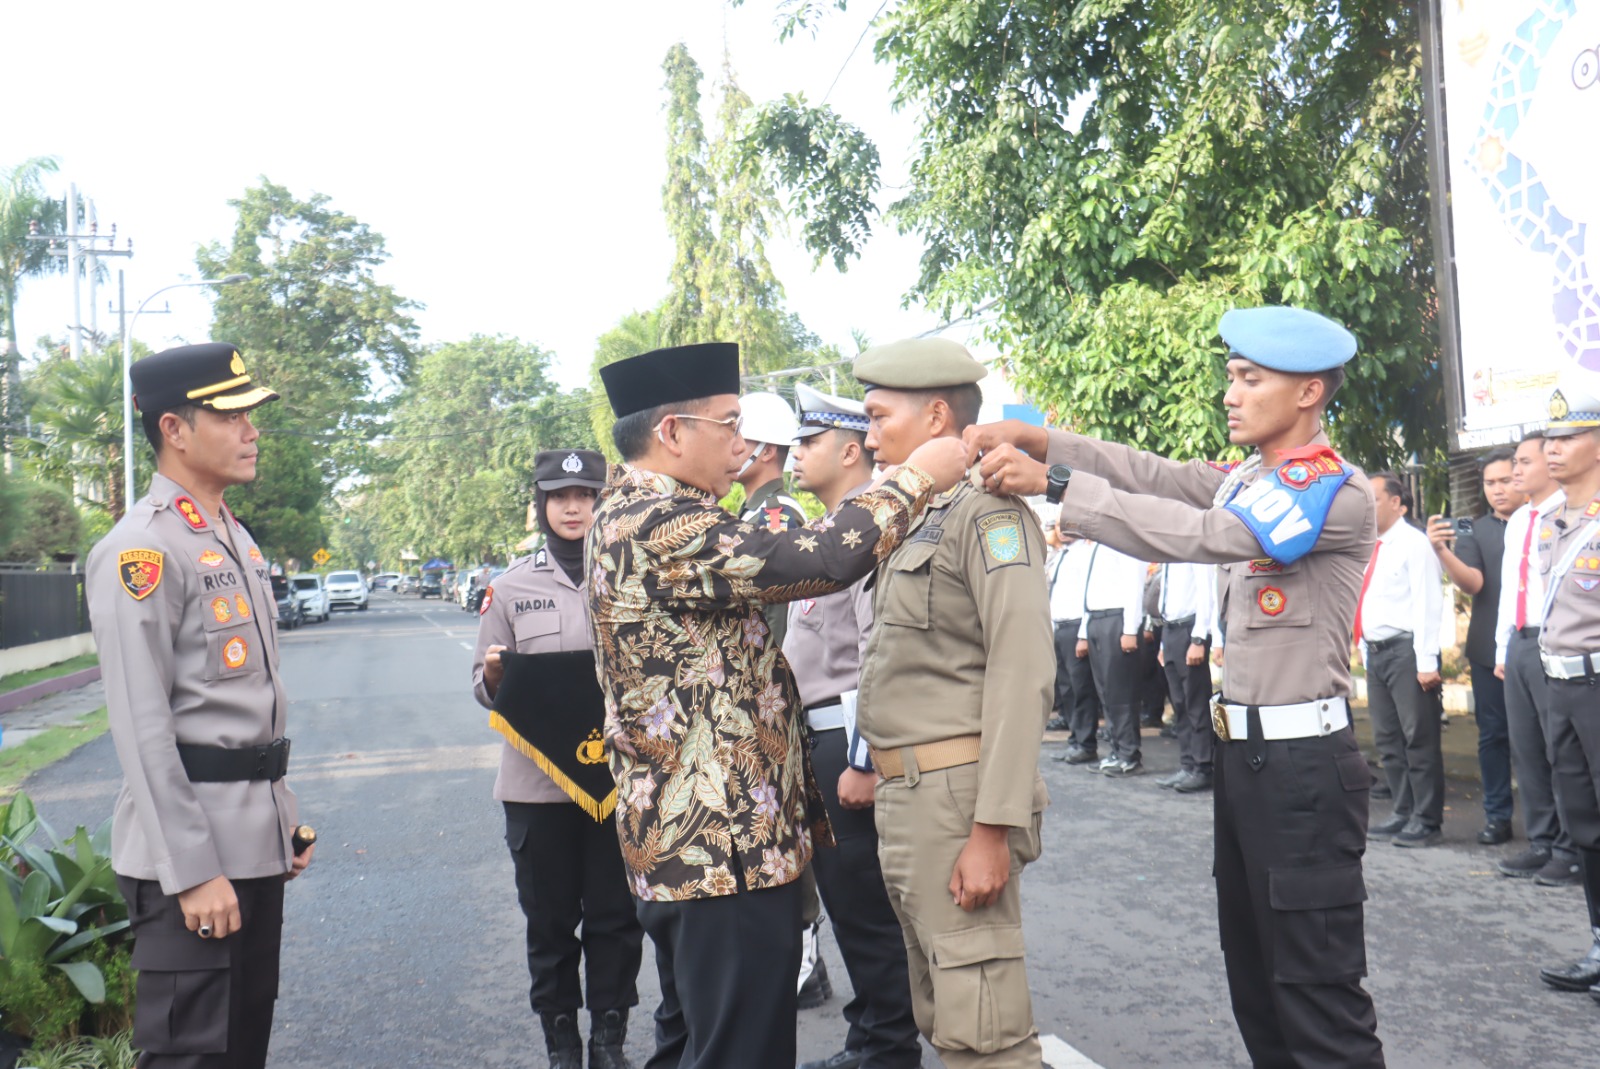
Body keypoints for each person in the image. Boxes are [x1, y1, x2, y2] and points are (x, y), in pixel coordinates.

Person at [968, 305, 1385, 1068]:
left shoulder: (1330, 490)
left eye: (1249, 378)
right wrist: (1045, 439)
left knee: (1318, 993)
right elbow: (1158, 475)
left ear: (1309, 393)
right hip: (1249, 763)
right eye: (1231, 376)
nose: (1230, 392)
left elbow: (1201, 534)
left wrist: (1056, 483)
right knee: (1258, 981)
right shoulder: (1252, 478)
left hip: (1303, 772)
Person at [588, 342, 965, 1069]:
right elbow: (818, 560)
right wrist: (917, 476)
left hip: (700, 843)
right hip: (717, 845)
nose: (745, 445)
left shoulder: (641, 511)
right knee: (742, 1051)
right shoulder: (659, 522)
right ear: (671, 432)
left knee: (696, 1040)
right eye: (729, 425)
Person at [87, 343, 314, 1069]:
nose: (252, 430)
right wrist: (191, 870)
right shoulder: (142, 550)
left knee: (241, 1049)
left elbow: (238, 702)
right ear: (175, 429)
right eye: (232, 414)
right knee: (191, 1056)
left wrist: (283, 818)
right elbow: (143, 726)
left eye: (252, 414)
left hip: (250, 843)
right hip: (190, 860)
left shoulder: (230, 536)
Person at [852, 337, 1054, 1069]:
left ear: (937, 414)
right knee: (946, 1016)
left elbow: (1022, 667)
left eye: (878, 417)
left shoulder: (987, 515)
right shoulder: (915, 514)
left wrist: (993, 826)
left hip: (957, 798)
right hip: (910, 798)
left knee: (986, 1034)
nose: (868, 436)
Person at [471, 449, 644, 1069]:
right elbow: (481, 683)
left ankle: (608, 1043)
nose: (573, 507)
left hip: (617, 783)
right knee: (548, 924)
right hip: (536, 790)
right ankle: (562, 1045)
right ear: (541, 505)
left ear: (602, 502)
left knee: (615, 919)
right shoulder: (511, 587)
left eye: (586, 495)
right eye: (559, 496)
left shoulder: (632, 575)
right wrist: (494, 677)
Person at [784, 383, 920, 1069]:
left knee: (865, 905)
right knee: (846, 900)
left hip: (846, 736)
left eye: (806, 443)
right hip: (822, 735)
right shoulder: (830, 529)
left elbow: (878, 651)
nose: (793, 456)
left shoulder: (861, 534)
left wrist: (865, 759)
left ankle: (889, 1046)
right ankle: (872, 1034)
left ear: (845, 448)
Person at [733, 390, 830, 1007]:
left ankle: (807, 961)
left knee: (788, 824)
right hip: (757, 697)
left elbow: (774, 619)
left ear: (763, 449)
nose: (729, 448)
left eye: (738, 438)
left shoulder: (775, 517)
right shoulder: (746, 510)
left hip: (772, 696)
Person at [1529, 371, 1600, 999]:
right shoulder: (1553, 521)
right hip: (1562, 688)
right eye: (1549, 437)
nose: (1554, 448)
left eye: (1569, 436)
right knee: (1585, 825)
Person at [1493, 432, 1579, 884]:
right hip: (1520, 642)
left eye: (1525, 462)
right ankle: (1542, 840)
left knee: (1560, 749)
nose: (1517, 472)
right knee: (1526, 748)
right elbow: (1511, 588)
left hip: (1555, 643)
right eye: (1515, 463)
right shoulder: (1517, 520)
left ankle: (1572, 847)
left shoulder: (1570, 513)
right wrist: (1501, 646)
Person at [1426, 449, 1517, 845]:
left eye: (1506, 480)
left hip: (1541, 648)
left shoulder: (1548, 521)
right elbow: (1473, 584)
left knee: (1552, 740)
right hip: (1485, 651)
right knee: (1493, 735)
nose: (1498, 490)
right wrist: (1443, 551)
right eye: (1489, 483)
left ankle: (1562, 822)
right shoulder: (1471, 528)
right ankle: (1498, 816)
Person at [1357, 473, 1446, 847]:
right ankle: (1402, 810)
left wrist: (1427, 660)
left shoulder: (1415, 544)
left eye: (1374, 499)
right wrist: (1363, 648)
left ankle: (1427, 820)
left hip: (1407, 653)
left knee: (1418, 738)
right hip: (1377, 654)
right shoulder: (1370, 546)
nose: (1367, 507)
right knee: (1388, 739)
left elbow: (1429, 602)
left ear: (1398, 503)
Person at [1077, 537, 1150, 775]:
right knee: (1106, 692)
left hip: (1117, 620)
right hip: (1098, 619)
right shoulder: (1098, 544)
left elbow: (1134, 585)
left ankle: (1129, 754)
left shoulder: (1124, 539)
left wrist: (1130, 628)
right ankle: (1117, 750)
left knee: (1121, 692)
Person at [1151, 561, 1220, 793]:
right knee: (1179, 703)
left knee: (1196, 703)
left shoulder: (1194, 552)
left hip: (1189, 630)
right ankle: (1187, 763)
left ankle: (1202, 767)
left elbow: (1206, 593)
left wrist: (1199, 638)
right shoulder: (1170, 554)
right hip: (1170, 630)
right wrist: (1163, 643)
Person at [1049, 535, 1105, 765]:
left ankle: (1086, 743)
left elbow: (1087, 595)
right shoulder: (1062, 554)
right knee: (1067, 688)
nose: (1062, 530)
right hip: (1059, 626)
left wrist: (1083, 634)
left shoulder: (1085, 553)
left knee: (1081, 687)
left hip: (1076, 626)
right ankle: (1075, 740)